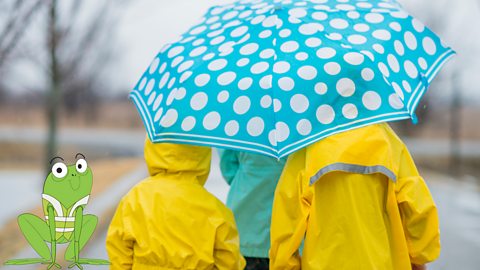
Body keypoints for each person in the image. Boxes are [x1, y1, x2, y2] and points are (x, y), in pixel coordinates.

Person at [269, 123, 440, 270]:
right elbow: (418, 206)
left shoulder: (307, 145)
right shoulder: (387, 140)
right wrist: (419, 256)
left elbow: (287, 215)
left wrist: (285, 265)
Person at [106, 138, 246, 269]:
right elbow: (229, 262)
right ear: (202, 154)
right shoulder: (216, 210)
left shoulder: (136, 198)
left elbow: (118, 249)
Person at [219, 150, 286, 270]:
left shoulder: (243, 132)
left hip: (245, 227)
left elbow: (228, 165)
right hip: (286, 235)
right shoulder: (297, 135)